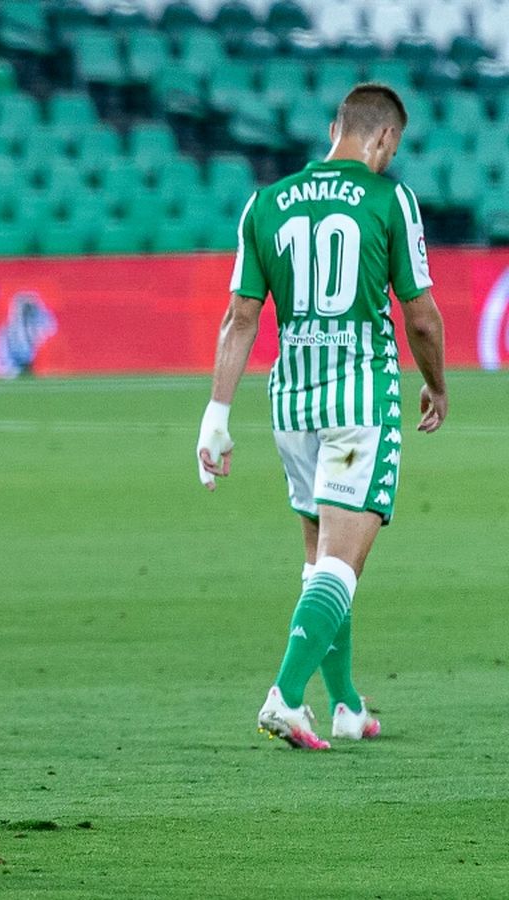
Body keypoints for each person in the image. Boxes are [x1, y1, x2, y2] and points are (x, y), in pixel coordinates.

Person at [197, 82, 448, 749]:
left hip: (293, 405)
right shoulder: (389, 197)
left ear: (335, 126)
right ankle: (284, 695)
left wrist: (216, 414)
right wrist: (437, 385)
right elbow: (419, 315)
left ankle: (344, 703)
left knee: (321, 559)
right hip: (359, 403)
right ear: (386, 139)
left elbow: (240, 315)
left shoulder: (266, 202)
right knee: (344, 562)